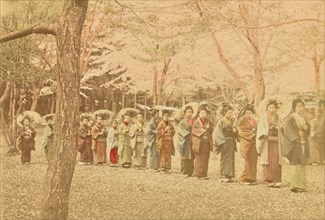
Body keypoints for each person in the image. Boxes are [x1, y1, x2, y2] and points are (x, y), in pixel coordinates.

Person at [283, 98, 310, 193]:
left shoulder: (303, 118)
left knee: (302, 163)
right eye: (299, 106)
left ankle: (301, 185)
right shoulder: (291, 118)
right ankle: (294, 185)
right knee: (295, 163)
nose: (301, 108)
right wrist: (295, 138)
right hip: (295, 143)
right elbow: (288, 130)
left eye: (302, 106)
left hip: (302, 142)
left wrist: (307, 128)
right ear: (294, 108)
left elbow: (307, 129)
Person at [256, 99, 282, 187]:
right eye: (270, 107)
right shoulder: (263, 117)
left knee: (276, 160)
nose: (272, 109)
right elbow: (261, 128)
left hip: (277, 140)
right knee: (268, 160)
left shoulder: (279, 117)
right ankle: (269, 179)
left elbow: (282, 127)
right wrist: (265, 133)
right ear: (267, 109)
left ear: (276, 109)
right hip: (267, 141)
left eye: (273, 107)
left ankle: (277, 179)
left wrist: (279, 128)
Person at [214, 104, 237, 183]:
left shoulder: (232, 121)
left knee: (231, 158)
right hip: (224, 141)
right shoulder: (221, 121)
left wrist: (235, 130)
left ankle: (230, 175)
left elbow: (235, 132)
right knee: (225, 158)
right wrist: (222, 141)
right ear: (224, 113)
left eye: (231, 113)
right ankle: (223, 175)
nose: (230, 114)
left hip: (231, 142)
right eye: (228, 113)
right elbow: (218, 132)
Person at [236, 104, 258, 185]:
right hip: (246, 142)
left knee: (254, 160)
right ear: (244, 114)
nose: (248, 115)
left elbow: (258, 130)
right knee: (248, 160)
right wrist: (252, 134)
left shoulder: (255, 121)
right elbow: (241, 131)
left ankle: (252, 177)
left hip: (254, 143)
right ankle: (245, 178)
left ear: (252, 114)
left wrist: (256, 133)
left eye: (250, 113)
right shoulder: (241, 122)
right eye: (247, 113)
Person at [192, 108, 213, 180]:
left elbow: (211, 131)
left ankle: (204, 174)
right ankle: (198, 174)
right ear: (199, 114)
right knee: (199, 158)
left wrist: (209, 127)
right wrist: (204, 129)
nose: (203, 115)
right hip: (199, 142)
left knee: (206, 158)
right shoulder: (196, 122)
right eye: (202, 113)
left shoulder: (208, 122)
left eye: (204, 113)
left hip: (206, 142)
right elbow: (194, 131)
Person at [176, 106, 195, 177]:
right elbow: (180, 131)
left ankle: (190, 171)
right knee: (184, 156)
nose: (190, 114)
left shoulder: (192, 121)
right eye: (188, 112)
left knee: (191, 156)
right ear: (185, 113)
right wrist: (187, 133)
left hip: (191, 141)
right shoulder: (182, 122)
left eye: (191, 112)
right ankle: (184, 172)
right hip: (184, 141)